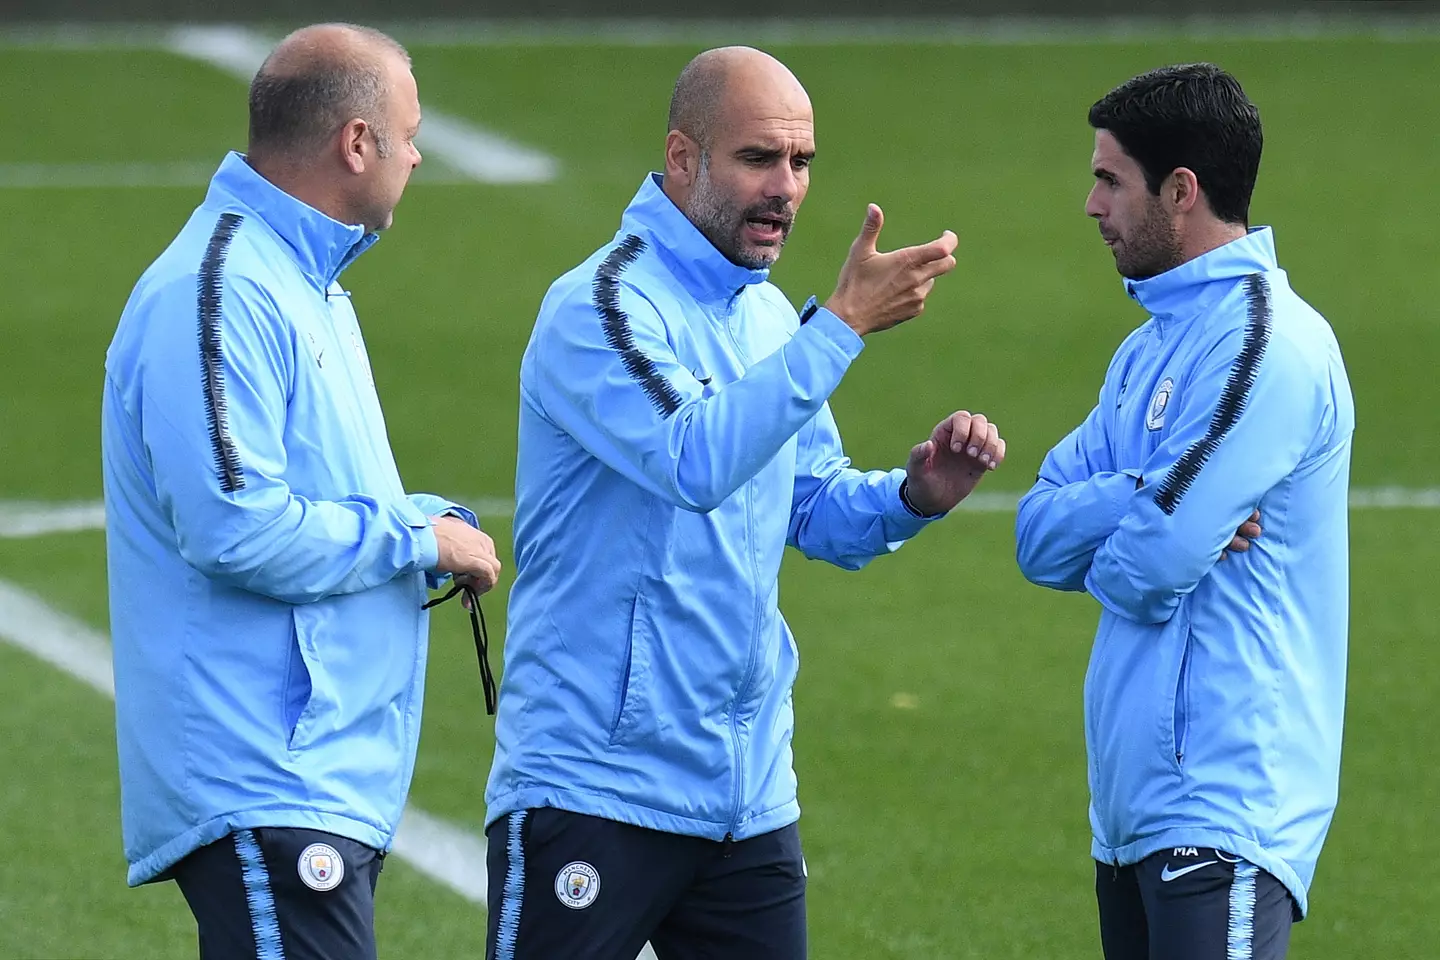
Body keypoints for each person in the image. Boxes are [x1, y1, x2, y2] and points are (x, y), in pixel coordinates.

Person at [483, 46, 1005, 960]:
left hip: (746, 800)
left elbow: (812, 509)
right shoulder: (601, 307)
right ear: (683, 159)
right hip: (595, 787)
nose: (787, 189)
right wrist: (838, 328)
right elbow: (693, 459)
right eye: (758, 159)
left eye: (802, 163)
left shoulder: (765, 318)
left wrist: (914, 495)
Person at [101, 23, 501, 960]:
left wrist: (417, 519)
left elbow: (299, 495)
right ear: (355, 143)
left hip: (311, 771)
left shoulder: (300, 281)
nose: (416, 152)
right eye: (406, 130)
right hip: (264, 772)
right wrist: (415, 541)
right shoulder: (221, 289)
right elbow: (234, 525)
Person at [1015, 63, 1353, 960]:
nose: (1092, 205)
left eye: (1109, 179)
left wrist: (1149, 527)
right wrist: (1142, 494)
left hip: (1226, 803)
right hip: (1134, 813)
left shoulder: (1268, 343)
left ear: (1182, 190)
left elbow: (1150, 567)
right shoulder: (1145, 351)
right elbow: (1035, 535)